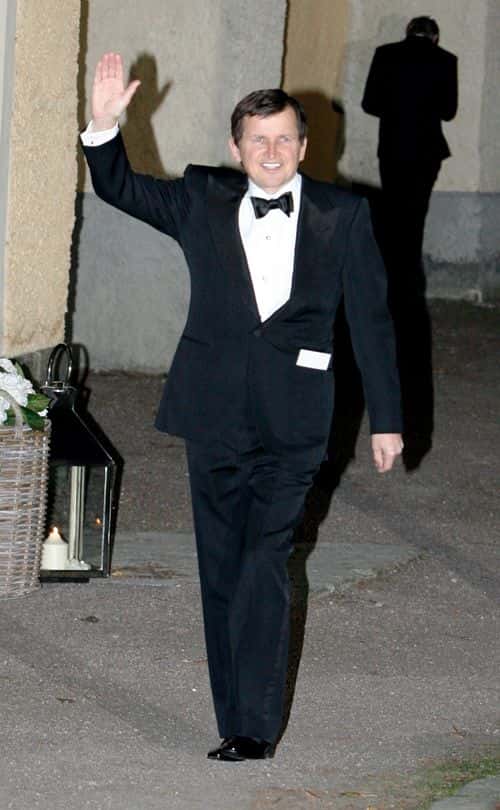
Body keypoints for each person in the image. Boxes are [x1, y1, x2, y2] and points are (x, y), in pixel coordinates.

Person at [81, 52, 403, 762]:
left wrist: (387, 419)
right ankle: (234, 718)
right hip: (213, 412)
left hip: (296, 419)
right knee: (222, 566)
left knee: (264, 559)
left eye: (284, 138)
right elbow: (120, 188)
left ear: (305, 147)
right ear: (236, 148)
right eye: (258, 139)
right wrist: (103, 127)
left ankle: (255, 728)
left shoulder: (343, 214)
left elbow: (373, 321)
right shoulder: (202, 198)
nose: (271, 151)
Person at [361, 17, 457, 464]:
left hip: (393, 145)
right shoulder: (445, 60)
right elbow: (448, 111)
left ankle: (392, 277)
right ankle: (407, 280)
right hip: (426, 148)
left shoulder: (385, 55)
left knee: (392, 213)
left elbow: (370, 103)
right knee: (414, 215)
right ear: (434, 36)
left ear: (407, 31)